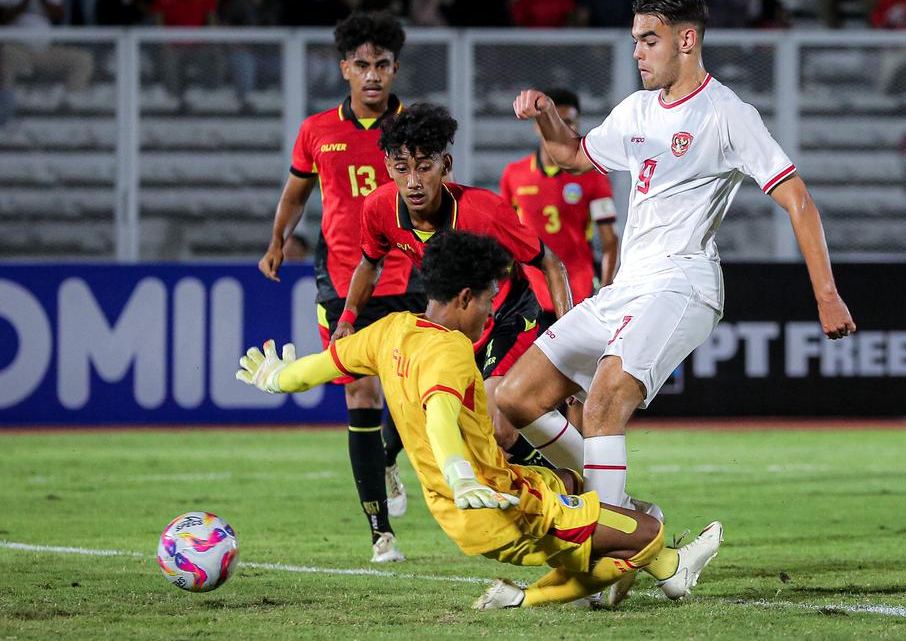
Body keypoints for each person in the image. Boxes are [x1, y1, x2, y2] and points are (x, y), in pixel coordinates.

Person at [496, 0, 855, 597]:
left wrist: (826, 293)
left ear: (687, 40)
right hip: (627, 286)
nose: (638, 51)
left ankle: (611, 553)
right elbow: (572, 154)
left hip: (683, 282)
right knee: (515, 397)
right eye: (635, 38)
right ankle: (635, 523)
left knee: (606, 400)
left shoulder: (727, 114)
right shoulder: (637, 110)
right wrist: (547, 114)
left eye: (649, 39)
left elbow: (796, 198)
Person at [236, 230, 723, 609]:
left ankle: (565, 576)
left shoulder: (389, 330)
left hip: (475, 499)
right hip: (498, 505)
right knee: (646, 530)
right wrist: (461, 474)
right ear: (465, 297)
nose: (490, 313)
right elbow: (441, 417)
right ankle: (659, 571)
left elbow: (320, 367)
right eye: (489, 300)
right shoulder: (449, 351)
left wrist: (278, 379)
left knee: (576, 482)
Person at [258, 12, 424, 565]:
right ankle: (381, 535)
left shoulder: (415, 125)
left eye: (381, 65)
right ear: (344, 69)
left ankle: (389, 456)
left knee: (420, 394)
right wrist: (278, 240)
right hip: (340, 280)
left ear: (394, 68)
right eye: (361, 65)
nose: (372, 75)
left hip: (412, 274)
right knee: (361, 393)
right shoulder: (316, 131)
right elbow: (295, 193)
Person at [340, 103, 572, 474]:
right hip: (456, 323)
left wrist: (568, 342)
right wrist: (348, 318)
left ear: (445, 166)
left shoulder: (485, 212)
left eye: (424, 167)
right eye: (402, 169)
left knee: (498, 424)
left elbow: (550, 263)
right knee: (444, 417)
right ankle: (550, 477)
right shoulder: (378, 209)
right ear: (387, 168)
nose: (413, 181)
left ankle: (566, 481)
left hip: (507, 313)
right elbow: (370, 263)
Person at [499, 88, 618, 332]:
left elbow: (610, 241)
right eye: (553, 120)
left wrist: (606, 292)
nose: (560, 127)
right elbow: (505, 239)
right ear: (537, 125)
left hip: (578, 293)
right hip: (529, 297)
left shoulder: (592, 177)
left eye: (568, 122)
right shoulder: (514, 175)